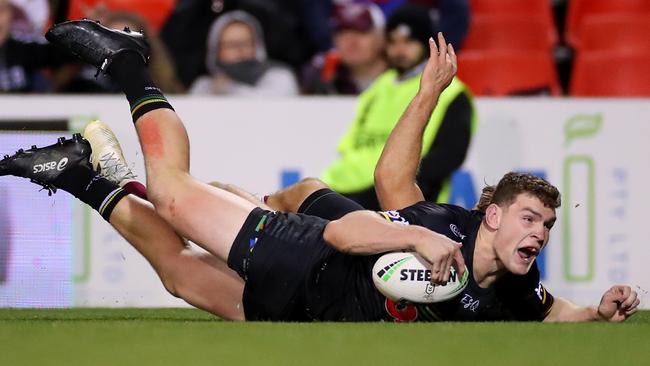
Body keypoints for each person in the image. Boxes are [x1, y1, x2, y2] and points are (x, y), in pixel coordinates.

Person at [1, 21, 639, 322]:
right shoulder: (448, 224)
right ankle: (132, 65)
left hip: (308, 317)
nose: (540, 234)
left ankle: (83, 175)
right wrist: (414, 234)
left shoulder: (517, 291)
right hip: (301, 262)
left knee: (177, 273)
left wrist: (602, 311)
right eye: (531, 218)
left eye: (548, 226)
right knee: (172, 195)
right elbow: (342, 233)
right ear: (492, 215)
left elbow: (557, 315)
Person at [321, 4, 475, 210]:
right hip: (347, 189)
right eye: (393, 42)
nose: (399, 50)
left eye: (408, 41)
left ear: (425, 43)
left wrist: (389, 186)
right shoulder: (380, 85)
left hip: (404, 203)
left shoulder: (450, 92)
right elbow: (351, 145)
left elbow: (447, 158)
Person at [189, 10, 298, 96]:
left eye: (246, 43)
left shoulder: (280, 77)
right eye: (232, 45)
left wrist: (229, 90)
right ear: (216, 51)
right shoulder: (204, 86)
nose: (240, 50)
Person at [302, 2, 387, 95]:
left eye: (361, 32)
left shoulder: (400, 74)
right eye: (342, 33)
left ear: (381, 37)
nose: (351, 41)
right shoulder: (319, 75)